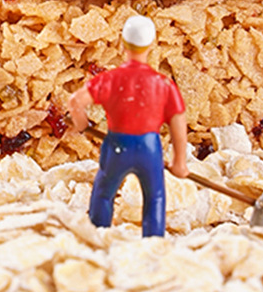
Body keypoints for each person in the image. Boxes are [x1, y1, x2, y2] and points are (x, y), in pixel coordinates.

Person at [68, 14, 188, 237]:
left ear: (122, 44)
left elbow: (75, 101)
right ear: (151, 45)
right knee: (155, 197)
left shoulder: (111, 79)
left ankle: (98, 236)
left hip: (116, 145)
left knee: (104, 192)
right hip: (150, 148)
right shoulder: (163, 83)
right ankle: (154, 241)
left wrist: (82, 124)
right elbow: (178, 124)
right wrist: (179, 161)